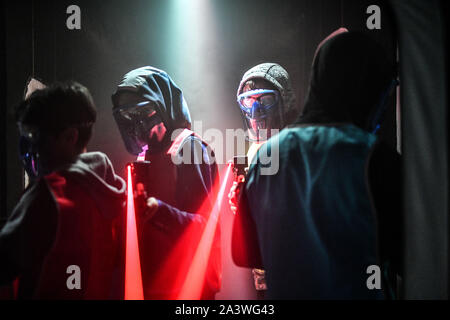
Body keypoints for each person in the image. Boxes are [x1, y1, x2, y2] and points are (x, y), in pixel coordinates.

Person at [232, 30, 401, 299]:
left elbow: (244, 253)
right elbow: (408, 251)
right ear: (367, 90)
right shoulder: (373, 156)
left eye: (263, 101)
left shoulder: (267, 156)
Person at [0, 82, 126, 299]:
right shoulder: (113, 193)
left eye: (38, 137)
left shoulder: (49, 194)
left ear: (70, 137)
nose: (33, 148)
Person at [111, 66, 221, 300]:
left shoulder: (189, 148)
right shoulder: (145, 154)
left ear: (163, 106)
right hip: (152, 285)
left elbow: (206, 226)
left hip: (189, 288)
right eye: (128, 116)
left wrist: (159, 211)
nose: (136, 123)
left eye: (143, 112)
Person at [228, 62, 298, 299]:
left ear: (283, 100)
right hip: (263, 271)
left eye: (264, 100)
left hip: (296, 271)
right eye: (249, 101)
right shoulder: (254, 151)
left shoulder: (297, 145)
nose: (256, 110)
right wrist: (241, 202)